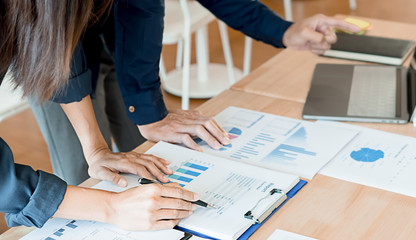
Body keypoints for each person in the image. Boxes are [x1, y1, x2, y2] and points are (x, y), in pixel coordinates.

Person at [1, 0, 359, 231]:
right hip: (50, 48)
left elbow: (142, 10)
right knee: (83, 178)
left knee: (142, 159)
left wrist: (281, 30)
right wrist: (102, 193)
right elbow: (57, 48)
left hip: (103, 35)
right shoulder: (26, 27)